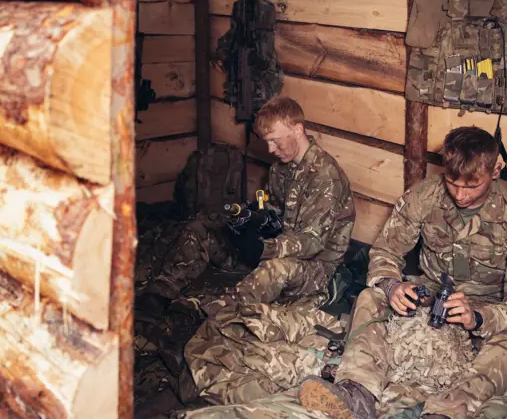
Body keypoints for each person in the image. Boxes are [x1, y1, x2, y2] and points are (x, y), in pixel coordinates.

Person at [298, 126, 507, 418]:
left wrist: (478, 317)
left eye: (472, 186)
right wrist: (392, 286)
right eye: (453, 182)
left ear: (495, 171)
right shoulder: (424, 195)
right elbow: (386, 251)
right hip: (430, 294)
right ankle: (357, 393)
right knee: (369, 298)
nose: (460, 195)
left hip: (488, 306)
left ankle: (443, 412)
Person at [135, 95, 356, 373]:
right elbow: (275, 210)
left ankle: (200, 324)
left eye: (275, 140)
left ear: (298, 130)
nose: (270, 149)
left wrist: (264, 249)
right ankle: (158, 294)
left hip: (315, 267)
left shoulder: (325, 176)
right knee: (204, 227)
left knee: (275, 270)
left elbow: (313, 242)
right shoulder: (281, 168)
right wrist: (250, 222)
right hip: (277, 244)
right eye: (266, 141)